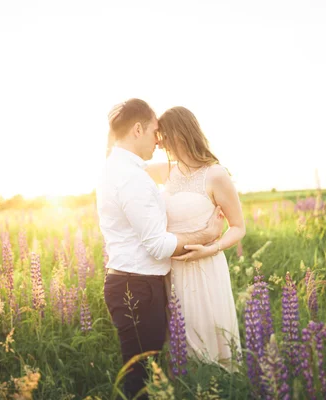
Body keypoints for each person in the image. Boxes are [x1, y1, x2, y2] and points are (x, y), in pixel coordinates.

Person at [96, 98, 224, 399]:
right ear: (137, 129)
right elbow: (157, 244)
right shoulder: (130, 178)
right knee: (140, 381)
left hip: (134, 282)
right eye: (155, 130)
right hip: (137, 287)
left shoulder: (118, 167)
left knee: (147, 372)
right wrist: (206, 234)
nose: (159, 138)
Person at [146, 106, 244, 371]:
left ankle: (218, 386)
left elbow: (238, 227)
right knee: (179, 338)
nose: (159, 142)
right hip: (172, 269)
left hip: (205, 268)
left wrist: (211, 247)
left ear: (181, 133)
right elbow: (127, 171)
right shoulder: (164, 170)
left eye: (163, 135)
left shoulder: (215, 174)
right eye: (157, 135)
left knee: (208, 334)